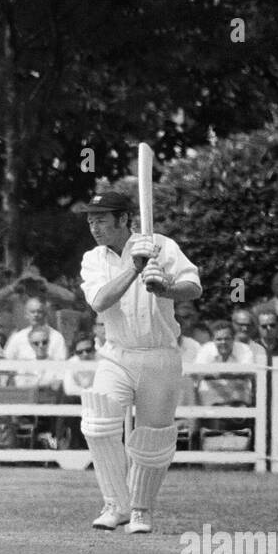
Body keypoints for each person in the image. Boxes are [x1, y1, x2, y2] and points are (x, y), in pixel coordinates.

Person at [78, 189, 202, 535]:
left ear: (123, 219)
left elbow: (193, 287)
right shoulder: (93, 259)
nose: (94, 227)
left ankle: (141, 511)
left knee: (153, 439)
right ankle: (115, 504)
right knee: (97, 421)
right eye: (91, 221)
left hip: (160, 354)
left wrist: (165, 289)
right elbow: (100, 302)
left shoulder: (162, 245)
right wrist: (134, 269)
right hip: (116, 353)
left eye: (101, 220)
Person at [3, 296, 68, 360]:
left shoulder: (56, 337)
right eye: (32, 312)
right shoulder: (17, 337)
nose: (36, 315)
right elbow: (7, 360)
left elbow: (61, 363)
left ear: (45, 314)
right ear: (26, 315)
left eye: (39, 311)